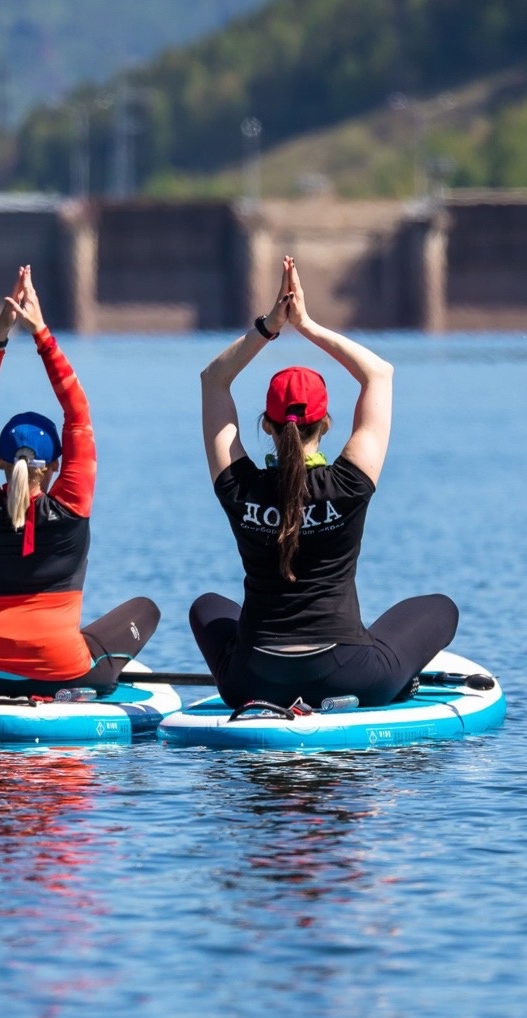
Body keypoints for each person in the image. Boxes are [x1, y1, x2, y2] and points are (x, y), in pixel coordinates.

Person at [190, 255, 458, 709]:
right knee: (442, 607)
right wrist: (308, 327)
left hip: (252, 680)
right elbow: (379, 374)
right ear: (327, 424)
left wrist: (269, 327)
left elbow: (213, 380)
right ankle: (378, 670)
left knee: (204, 606)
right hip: (349, 675)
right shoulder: (348, 484)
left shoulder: (241, 489)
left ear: (267, 427)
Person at [0, 265, 160, 698]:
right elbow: (77, 412)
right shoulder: (72, 501)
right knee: (146, 609)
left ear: (0, 461)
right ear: (57, 465)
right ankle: (81, 676)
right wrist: (41, 333)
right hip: (66, 673)